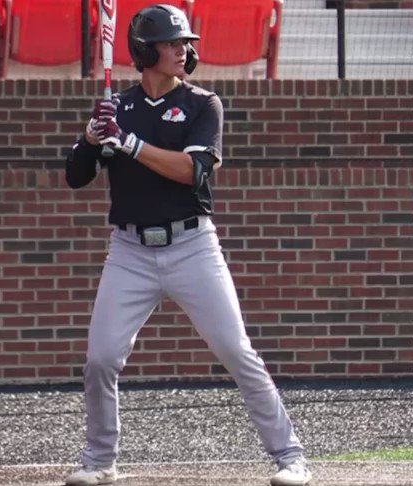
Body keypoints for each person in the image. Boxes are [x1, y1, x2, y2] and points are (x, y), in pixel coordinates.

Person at [63, 5, 312, 486]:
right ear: (144, 50)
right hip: (130, 251)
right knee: (100, 359)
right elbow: (76, 178)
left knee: (236, 351)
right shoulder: (122, 108)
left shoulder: (203, 104)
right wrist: (91, 138)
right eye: (173, 42)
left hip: (192, 245)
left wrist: (130, 144)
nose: (183, 49)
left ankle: (290, 456)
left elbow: (193, 172)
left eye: (184, 42)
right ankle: (99, 460)